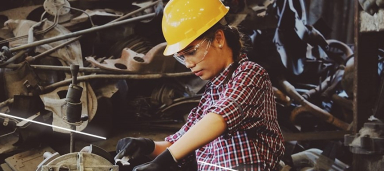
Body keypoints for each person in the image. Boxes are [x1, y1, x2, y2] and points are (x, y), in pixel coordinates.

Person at [114, 0, 285, 170]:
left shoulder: (251, 74)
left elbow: (220, 117)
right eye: (182, 57)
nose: (188, 64)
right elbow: (180, 142)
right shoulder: (211, 94)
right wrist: (145, 146)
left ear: (218, 38)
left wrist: (163, 161)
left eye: (191, 52)